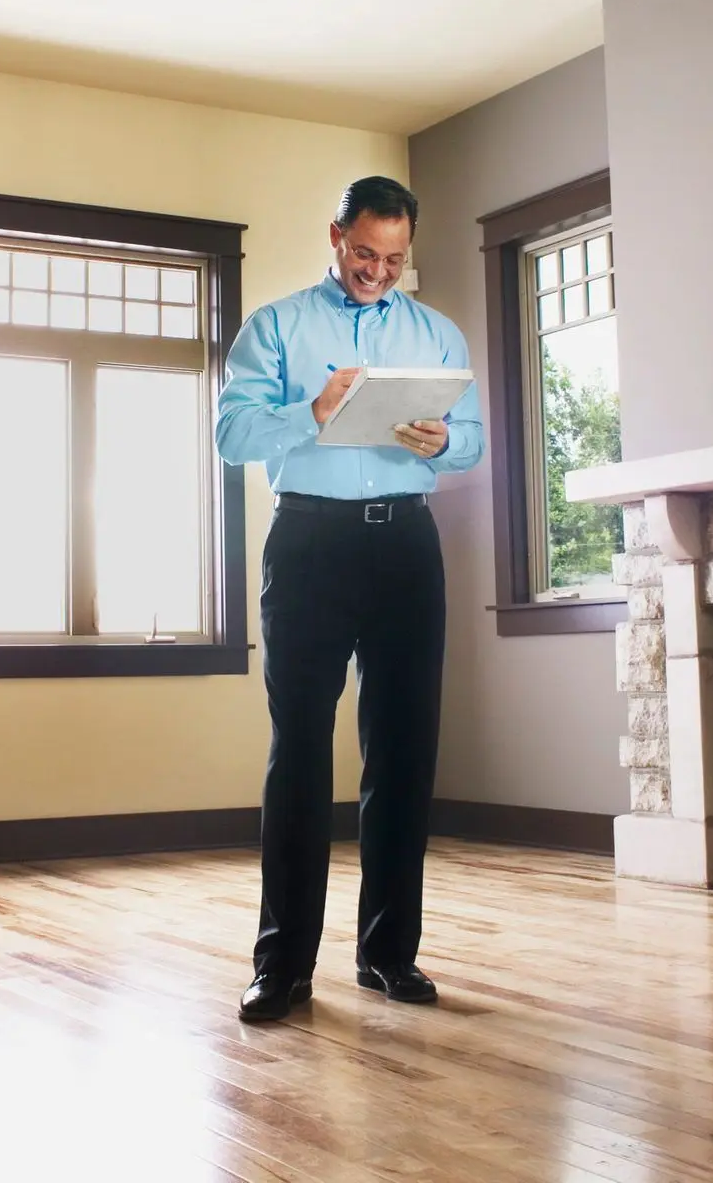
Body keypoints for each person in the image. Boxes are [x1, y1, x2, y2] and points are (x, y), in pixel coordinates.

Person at [215, 176, 484, 1023]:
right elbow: (232, 434)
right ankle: (283, 967)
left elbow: (472, 443)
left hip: (406, 543)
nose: (378, 271)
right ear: (336, 237)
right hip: (309, 544)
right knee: (299, 751)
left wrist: (445, 439)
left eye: (395, 259)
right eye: (365, 254)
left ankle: (388, 957)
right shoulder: (279, 327)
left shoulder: (436, 333)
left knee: (404, 755)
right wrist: (311, 409)